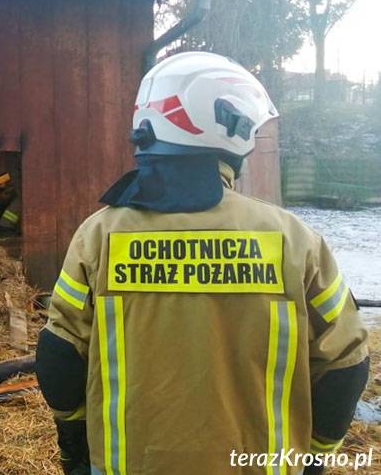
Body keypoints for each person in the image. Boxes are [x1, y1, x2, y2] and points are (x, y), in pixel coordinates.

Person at [35, 52, 368, 475]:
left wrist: (75, 448)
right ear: (228, 126)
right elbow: (347, 365)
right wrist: (316, 456)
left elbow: (60, 356)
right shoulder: (293, 239)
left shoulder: (99, 235)